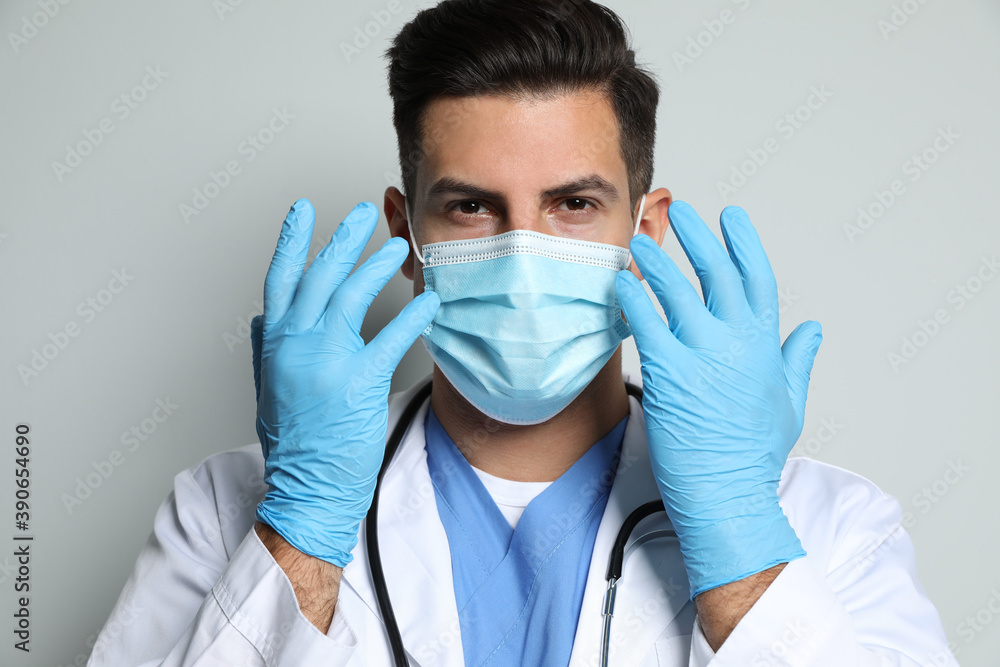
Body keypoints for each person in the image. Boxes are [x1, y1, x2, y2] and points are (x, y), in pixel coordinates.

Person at [89, 1, 958, 665]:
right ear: (405, 239)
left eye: (574, 204)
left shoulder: (830, 528)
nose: (523, 250)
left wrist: (741, 540)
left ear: (645, 233)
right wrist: (303, 528)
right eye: (470, 206)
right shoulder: (228, 510)